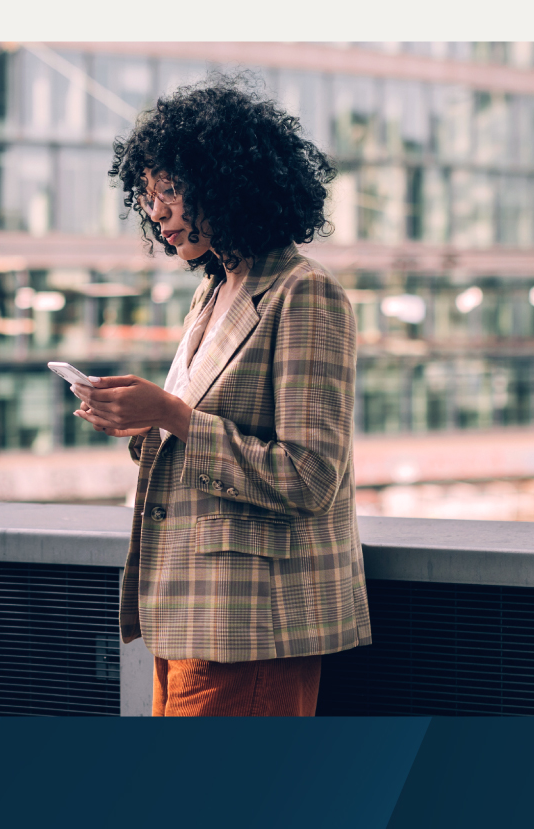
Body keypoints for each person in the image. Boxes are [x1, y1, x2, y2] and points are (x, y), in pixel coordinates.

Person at [70, 74, 372, 716]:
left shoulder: (303, 294)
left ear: (229, 184)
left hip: (251, 627)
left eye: (172, 193)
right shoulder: (214, 291)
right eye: (149, 197)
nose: (157, 213)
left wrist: (172, 415)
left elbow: (311, 475)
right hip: (187, 614)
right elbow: (190, 439)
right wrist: (140, 420)